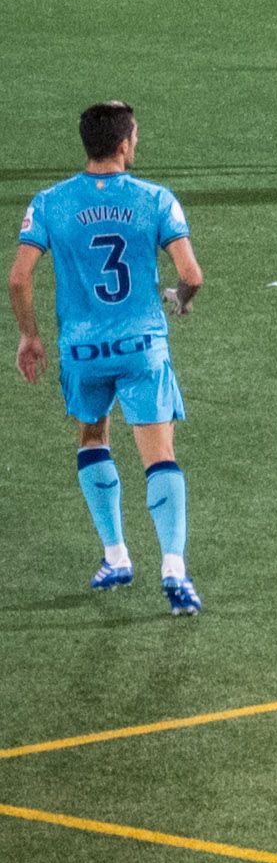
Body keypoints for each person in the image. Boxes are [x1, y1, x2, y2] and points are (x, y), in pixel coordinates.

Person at [10, 101, 207, 613]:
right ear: (124, 144)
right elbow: (192, 276)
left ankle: (116, 555)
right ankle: (174, 568)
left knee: (93, 437)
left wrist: (30, 337)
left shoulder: (50, 203)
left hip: (82, 350)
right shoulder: (156, 200)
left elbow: (18, 278)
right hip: (142, 346)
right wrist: (180, 302)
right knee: (160, 456)